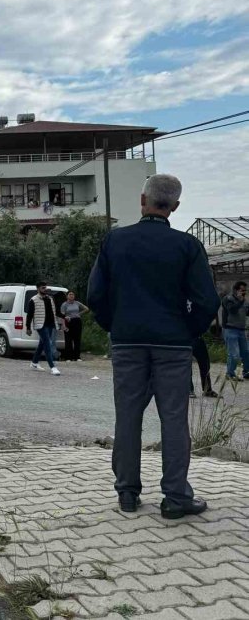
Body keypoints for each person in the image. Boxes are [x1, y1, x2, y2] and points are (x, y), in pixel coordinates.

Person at [87, 174, 219, 519]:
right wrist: (187, 333)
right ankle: (176, 497)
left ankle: (128, 494)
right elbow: (207, 301)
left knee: (127, 417)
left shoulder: (115, 241)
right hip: (173, 346)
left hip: (128, 342)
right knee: (174, 420)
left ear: (142, 200)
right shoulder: (187, 246)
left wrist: (115, 327)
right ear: (174, 207)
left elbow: (95, 295)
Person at [25, 282, 63, 375]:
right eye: (43, 288)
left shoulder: (50, 299)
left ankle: (34, 363)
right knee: (47, 343)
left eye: (45, 287)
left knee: (42, 344)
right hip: (40, 325)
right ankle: (53, 367)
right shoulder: (33, 300)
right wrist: (28, 327)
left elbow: (56, 311)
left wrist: (65, 316)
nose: (45, 289)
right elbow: (29, 315)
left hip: (50, 324)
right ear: (38, 289)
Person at [222, 281, 249, 381]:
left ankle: (247, 372)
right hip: (230, 329)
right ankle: (230, 374)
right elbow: (232, 310)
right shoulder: (228, 299)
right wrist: (240, 301)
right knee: (234, 354)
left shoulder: (245, 301)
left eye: (245, 290)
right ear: (236, 290)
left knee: (246, 352)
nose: (243, 292)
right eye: (242, 290)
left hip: (242, 330)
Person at [60, 291, 89, 361]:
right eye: (70, 294)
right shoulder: (64, 304)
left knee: (77, 339)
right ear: (67, 296)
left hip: (77, 321)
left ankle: (77, 357)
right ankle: (68, 357)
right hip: (68, 322)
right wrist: (64, 325)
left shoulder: (77, 303)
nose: (71, 296)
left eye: (73, 294)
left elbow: (86, 309)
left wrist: (79, 314)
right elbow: (62, 316)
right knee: (68, 340)